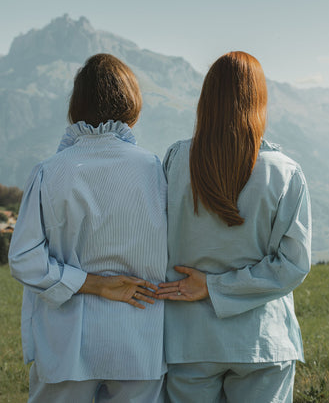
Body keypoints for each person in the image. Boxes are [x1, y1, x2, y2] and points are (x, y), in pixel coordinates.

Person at [9, 53, 167, 403]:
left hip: (66, 344)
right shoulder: (156, 170)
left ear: (76, 105)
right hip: (140, 341)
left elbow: (24, 260)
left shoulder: (49, 171)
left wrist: (93, 284)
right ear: (133, 105)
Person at [157, 51, 311, 403]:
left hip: (189, 341)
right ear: (259, 101)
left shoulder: (176, 161)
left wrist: (208, 286)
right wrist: (216, 288)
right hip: (262, 340)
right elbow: (293, 265)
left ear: (206, 101)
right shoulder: (285, 172)